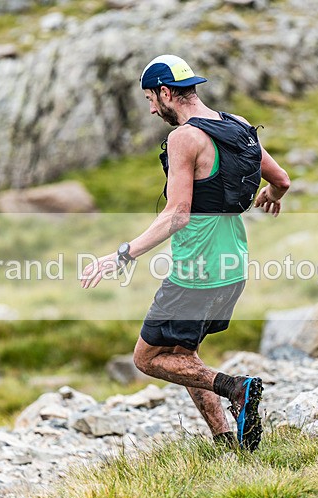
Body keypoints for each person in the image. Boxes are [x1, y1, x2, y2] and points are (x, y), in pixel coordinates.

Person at [80, 54, 290, 451]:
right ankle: (228, 441)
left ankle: (237, 389)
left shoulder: (184, 138)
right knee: (183, 354)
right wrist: (271, 195)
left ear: (164, 92)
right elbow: (281, 179)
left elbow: (176, 215)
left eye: (149, 98)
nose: (151, 107)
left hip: (197, 269)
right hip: (234, 266)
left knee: (147, 358)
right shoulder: (239, 126)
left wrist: (122, 255)